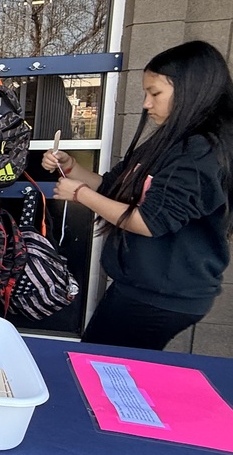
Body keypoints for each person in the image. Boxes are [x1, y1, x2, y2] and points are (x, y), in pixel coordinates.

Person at [43, 40, 233, 350]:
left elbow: (150, 221)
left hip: (163, 294)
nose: (146, 104)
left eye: (155, 93)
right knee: (105, 363)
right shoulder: (169, 141)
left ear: (191, 89)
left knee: (102, 365)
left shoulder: (200, 151)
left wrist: (79, 194)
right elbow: (110, 187)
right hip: (141, 286)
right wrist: (71, 166)